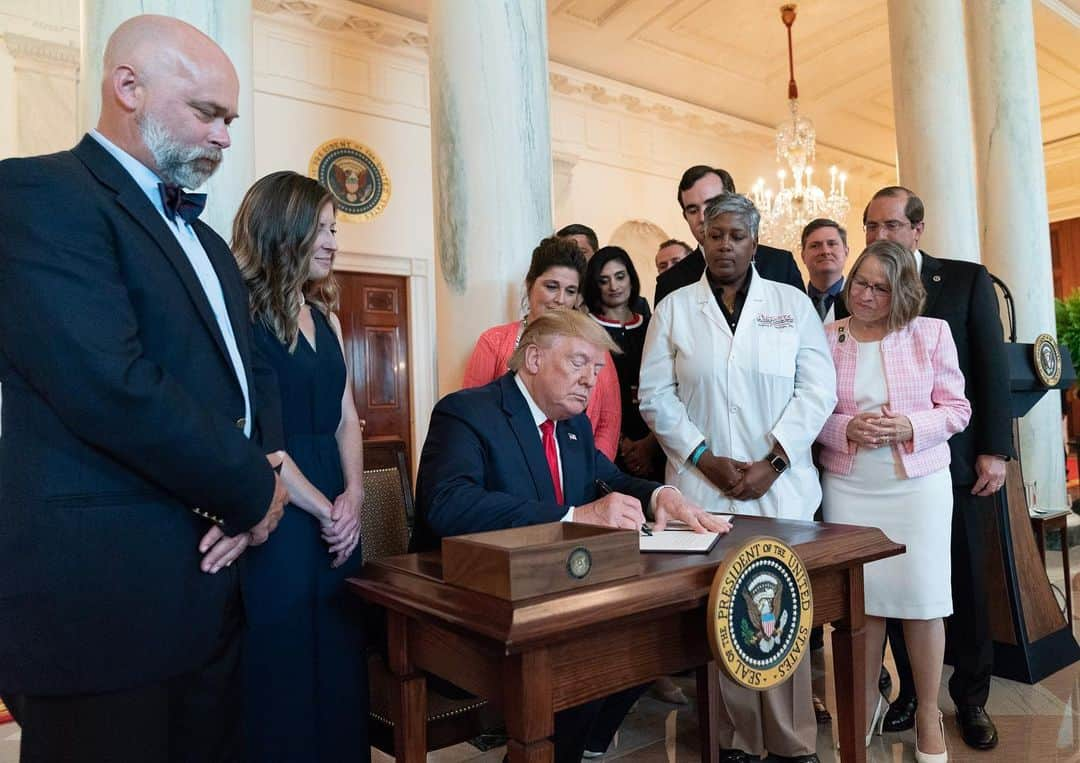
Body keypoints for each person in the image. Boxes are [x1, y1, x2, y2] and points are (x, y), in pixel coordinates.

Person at [0, 15, 288, 761]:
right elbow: (110, 385)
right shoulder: (37, 194)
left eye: (230, 119)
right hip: (106, 604)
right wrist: (253, 489)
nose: (226, 137)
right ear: (127, 86)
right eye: (208, 113)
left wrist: (265, 468)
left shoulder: (211, 242)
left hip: (216, 583)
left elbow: (249, 374)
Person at [414, 308, 731, 763]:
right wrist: (573, 514)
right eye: (579, 363)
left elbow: (609, 480)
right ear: (535, 359)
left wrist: (662, 495)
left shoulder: (574, 427)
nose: (591, 380)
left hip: (554, 592)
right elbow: (448, 505)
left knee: (660, 635)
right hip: (471, 602)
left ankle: (580, 746)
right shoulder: (467, 413)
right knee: (591, 654)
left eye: (598, 370)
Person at [639, 193, 836, 763]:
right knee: (720, 612)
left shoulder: (790, 304)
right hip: (703, 489)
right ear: (702, 238)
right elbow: (654, 395)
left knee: (783, 612)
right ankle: (734, 741)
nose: (725, 245)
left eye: (737, 236)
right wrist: (702, 457)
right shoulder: (674, 308)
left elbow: (817, 389)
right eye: (716, 234)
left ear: (755, 242)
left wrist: (772, 463)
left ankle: (793, 742)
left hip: (780, 485)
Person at [864, 187, 1013, 750]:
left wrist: (994, 450)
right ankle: (910, 694)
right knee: (903, 588)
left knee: (964, 582)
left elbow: (990, 369)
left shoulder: (967, 280)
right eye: (871, 227)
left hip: (954, 462)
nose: (881, 236)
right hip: (884, 473)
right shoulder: (865, 292)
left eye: (892, 226)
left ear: (917, 229)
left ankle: (971, 699)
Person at [232, 171, 368, 762]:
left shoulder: (329, 319)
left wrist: (355, 497)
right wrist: (323, 508)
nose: (334, 242)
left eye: (336, 228)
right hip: (281, 509)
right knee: (281, 663)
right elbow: (258, 440)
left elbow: (346, 419)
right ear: (282, 230)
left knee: (340, 656)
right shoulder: (242, 315)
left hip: (339, 511)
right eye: (321, 228)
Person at [819, 240, 971, 762]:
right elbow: (808, 413)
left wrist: (909, 424)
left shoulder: (930, 334)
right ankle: (860, 707)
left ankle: (928, 715)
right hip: (849, 485)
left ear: (903, 290)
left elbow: (957, 410)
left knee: (923, 603)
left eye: (880, 288)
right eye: (860, 281)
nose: (864, 295)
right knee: (859, 606)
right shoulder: (826, 336)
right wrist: (846, 428)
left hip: (917, 487)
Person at [463, 236, 622, 460]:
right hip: (505, 476)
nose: (560, 299)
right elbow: (472, 417)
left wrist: (589, 476)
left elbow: (608, 422)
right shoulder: (494, 342)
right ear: (530, 285)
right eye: (551, 287)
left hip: (578, 481)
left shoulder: (595, 348)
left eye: (570, 291)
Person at [654, 165, 805, 304]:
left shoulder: (780, 265)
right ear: (685, 216)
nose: (702, 217)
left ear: (733, 200)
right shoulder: (669, 283)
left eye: (711, 204)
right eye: (693, 210)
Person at [801, 218, 850, 322]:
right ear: (803, 256)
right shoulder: (792, 302)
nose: (825, 251)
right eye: (815, 246)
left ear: (846, 252)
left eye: (832, 244)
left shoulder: (861, 301)